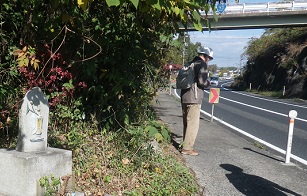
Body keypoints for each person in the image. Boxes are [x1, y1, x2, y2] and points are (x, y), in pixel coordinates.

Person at [180, 47, 213, 156]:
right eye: (209, 58)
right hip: (194, 97)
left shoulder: (189, 63)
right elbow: (202, 82)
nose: (209, 60)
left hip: (184, 95)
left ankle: (184, 145)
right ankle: (187, 148)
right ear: (206, 56)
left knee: (186, 122)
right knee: (193, 124)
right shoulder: (202, 64)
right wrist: (208, 83)